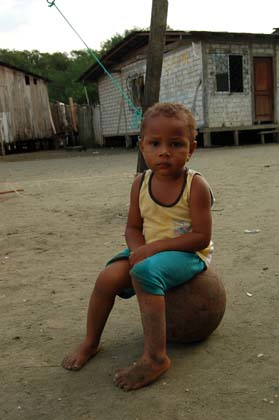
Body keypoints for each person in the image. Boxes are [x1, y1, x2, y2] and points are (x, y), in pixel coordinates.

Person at [62, 102, 213, 391]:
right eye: (155, 144)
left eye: (176, 144)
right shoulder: (140, 184)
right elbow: (132, 227)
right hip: (148, 252)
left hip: (188, 254)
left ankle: (156, 357)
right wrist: (136, 250)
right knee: (107, 278)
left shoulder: (195, 185)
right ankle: (91, 342)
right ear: (142, 146)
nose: (164, 152)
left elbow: (201, 237)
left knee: (144, 272)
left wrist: (152, 252)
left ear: (191, 148)